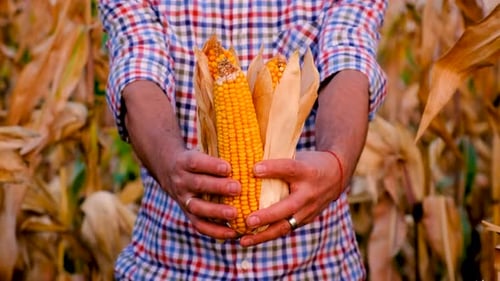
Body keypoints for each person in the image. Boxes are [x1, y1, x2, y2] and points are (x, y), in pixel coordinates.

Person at [98, 0, 387, 279]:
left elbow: (349, 58)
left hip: (315, 267)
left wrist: (337, 162)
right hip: (170, 267)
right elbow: (137, 64)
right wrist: (167, 159)